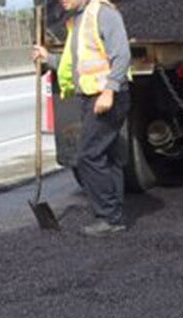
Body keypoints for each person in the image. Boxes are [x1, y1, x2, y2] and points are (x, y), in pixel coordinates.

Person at [33, 0, 131, 237]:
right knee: (108, 156)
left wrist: (109, 91)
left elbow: (122, 54)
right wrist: (48, 59)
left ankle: (109, 217)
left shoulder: (103, 14)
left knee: (88, 155)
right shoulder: (78, 20)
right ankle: (114, 214)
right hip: (92, 96)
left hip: (107, 97)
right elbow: (76, 65)